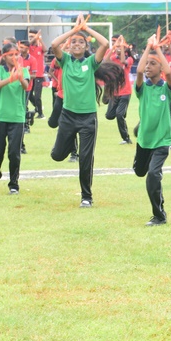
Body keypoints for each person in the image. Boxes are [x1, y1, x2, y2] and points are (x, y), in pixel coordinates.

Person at [49, 15, 114, 207]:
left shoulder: (91, 63)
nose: (77, 44)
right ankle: (69, 143)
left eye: (81, 43)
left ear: (86, 47)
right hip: (68, 116)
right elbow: (54, 44)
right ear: (68, 47)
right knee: (57, 155)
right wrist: (74, 30)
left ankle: (86, 197)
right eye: (73, 42)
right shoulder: (66, 61)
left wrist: (85, 29)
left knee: (85, 158)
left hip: (88, 118)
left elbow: (104, 43)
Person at [133, 35, 171, 225]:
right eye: (147, 63)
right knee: (140, 172)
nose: (148, 66)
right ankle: (151, 173)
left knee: (152, 176)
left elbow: (168, 72)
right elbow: (140, 70)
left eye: (153, 64)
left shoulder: (167, 89)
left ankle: (159, 215)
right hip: (144, 140)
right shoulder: (142, 88)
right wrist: (148, 48)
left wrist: (157, 49)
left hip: (162, 140)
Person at [0, 42, 31, 194]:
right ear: (4, 57)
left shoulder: (23, 70)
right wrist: (11, 78)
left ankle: (14, 184)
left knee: (14, 153)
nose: (14, 57)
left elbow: (26, 86)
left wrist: (19, 76)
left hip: (17, 118)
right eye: (10, 55)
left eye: (16, 54)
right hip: (0, 116)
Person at [104, 36, 133, 144]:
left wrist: (120, 45)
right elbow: (105, 60)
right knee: (109, 115)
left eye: (121, 46)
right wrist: (113, 48)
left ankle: (126, 138)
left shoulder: (129, 59)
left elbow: (122, 60)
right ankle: (122, 111)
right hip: (115, 92)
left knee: (119, 115)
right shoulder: (112, 56)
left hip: (125, 91)